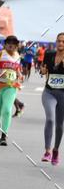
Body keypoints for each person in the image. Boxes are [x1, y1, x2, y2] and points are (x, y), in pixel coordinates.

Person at [0, 35, 23, 146]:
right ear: (5, 44)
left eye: (14, 43)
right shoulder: (0, 54)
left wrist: (20, 75)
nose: (11, 45)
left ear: (16, 46)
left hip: (11, 87)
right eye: (9, 43)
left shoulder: (17, 56)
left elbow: (17, 69)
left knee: (7, 110)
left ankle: (4, 136)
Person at [40, 31, 64, 165]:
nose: (60, 43)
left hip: (63, 94)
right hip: (49, 92)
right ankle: (47, 151)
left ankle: (56, 150)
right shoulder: (49, 55)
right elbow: (43, 70)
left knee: (60, 125)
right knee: (50, 119)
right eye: (58, 40)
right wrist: (43, 71)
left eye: (63, 41)